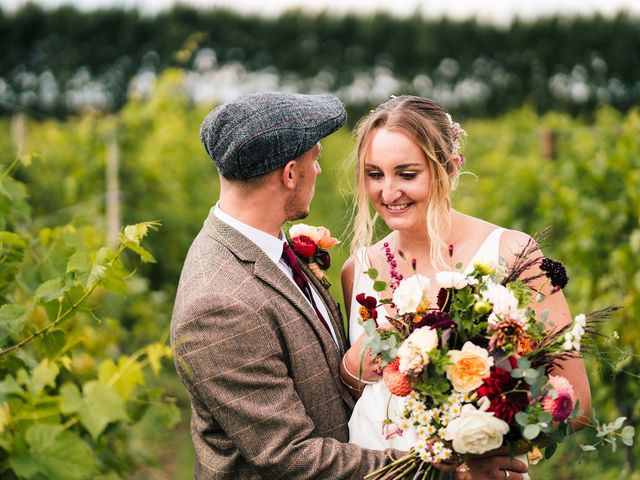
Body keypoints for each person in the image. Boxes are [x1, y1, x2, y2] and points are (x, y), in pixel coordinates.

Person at [339, 95, 591, 480]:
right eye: (375, 174)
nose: (388, 193)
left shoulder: (512, 253)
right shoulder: (356, 270)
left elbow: (575, 404)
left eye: (407, 174)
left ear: (450, 169)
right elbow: (364, 396)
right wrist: (353, 365)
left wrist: (485, 451)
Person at [170, 91, 402, 479]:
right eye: (316, 159)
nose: (319, 171)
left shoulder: (267, 247)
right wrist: (435, 468)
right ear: (290, 173)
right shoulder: (218, 304)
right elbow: (290, 456)